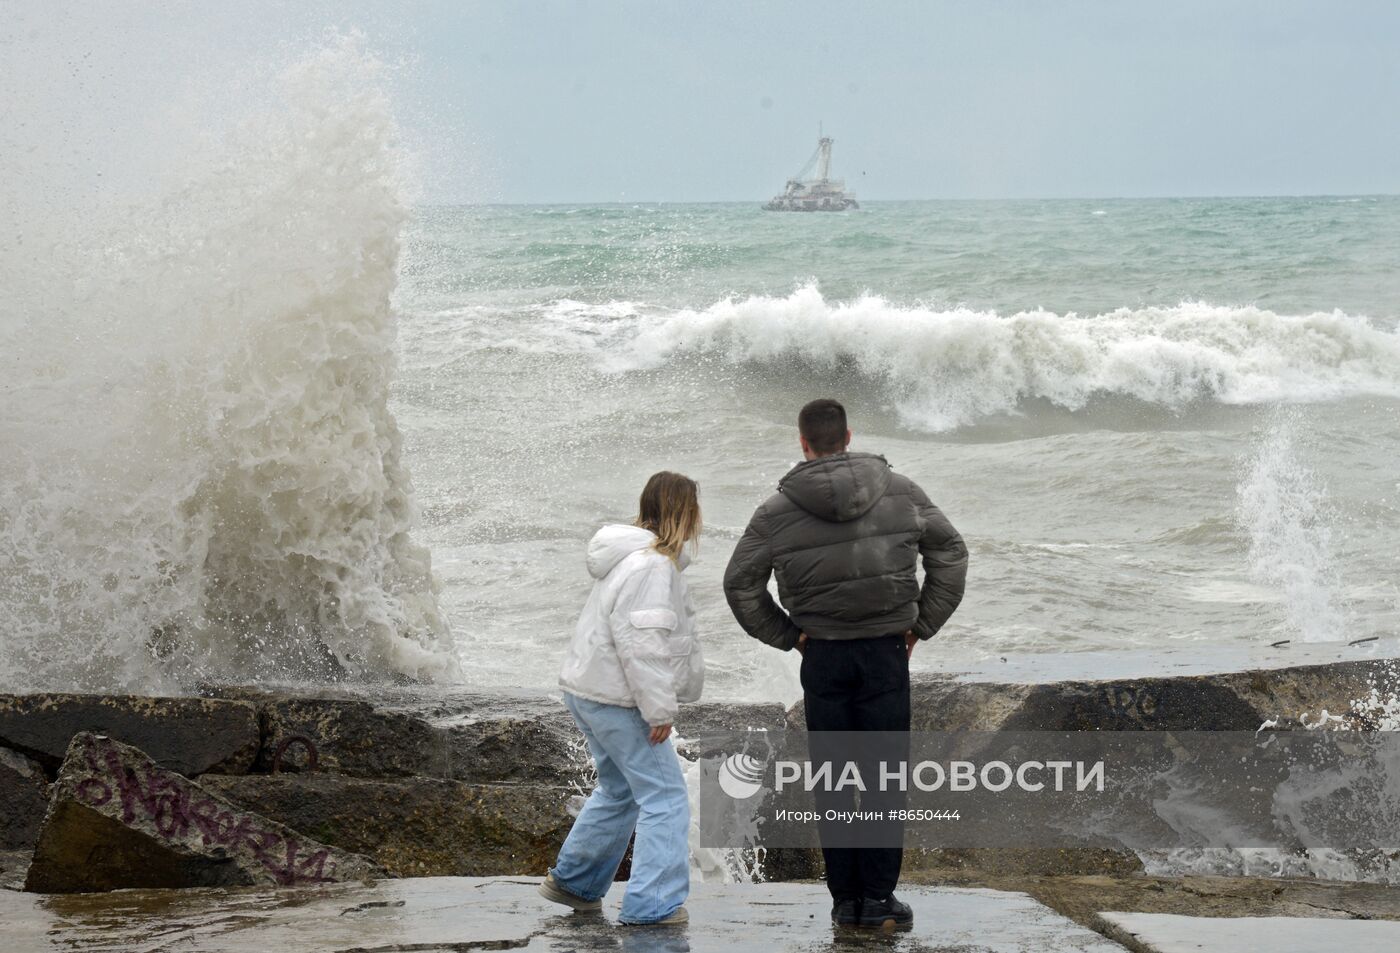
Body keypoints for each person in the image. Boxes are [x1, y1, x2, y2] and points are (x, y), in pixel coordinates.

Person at [723, 399, 967, 930]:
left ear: (803, 443)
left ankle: (844, 903)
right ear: (849, 436)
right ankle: (878, 901)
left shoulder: (774, 511)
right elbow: (951, 552)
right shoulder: (902, 490)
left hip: (824, 654)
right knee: (883, 776)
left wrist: (789, 636)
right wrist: (921, 624)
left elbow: (740, 584)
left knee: (833, 778)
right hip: (886, 651)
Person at [539, 471, 704, 926]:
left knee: (620, 790)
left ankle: (574, 882)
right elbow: (642, 643)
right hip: (617, 699)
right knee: (666, 797)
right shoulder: (651, 566)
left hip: (588, 691)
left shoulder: (628, 558)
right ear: (685, 512)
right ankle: (653, 906)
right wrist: (659, 709)